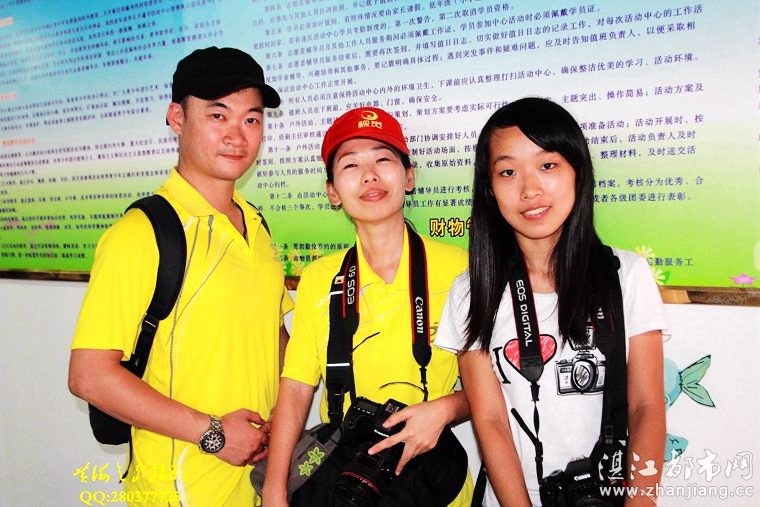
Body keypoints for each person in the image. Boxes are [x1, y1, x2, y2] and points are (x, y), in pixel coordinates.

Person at [68, 46, 293, 506]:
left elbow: (272, 335)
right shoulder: (141, 233)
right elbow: (89, 376)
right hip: (179, 488)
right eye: (217, 115)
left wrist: (285, 426)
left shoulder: (256, 224)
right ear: (177, 118)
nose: (237, 135)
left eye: (251, 119)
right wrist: (214, 434)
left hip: (255, 483)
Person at [435, 97, 668, 506]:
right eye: (508, 172)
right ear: (489, 188)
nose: (530, 189)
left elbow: (646, 406)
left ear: (577, 171)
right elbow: (490, 420)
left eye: (547, 165)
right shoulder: (472, 291)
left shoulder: (625, 275)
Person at [261, 107, 473, 506]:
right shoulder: (320, 278)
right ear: (332, 192)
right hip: (349, 479)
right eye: (351, 165)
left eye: (383, 159)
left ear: (409, 177)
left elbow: (494, 385)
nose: (370, 175)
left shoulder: (459, 268)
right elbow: (296, 388)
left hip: (432, 482)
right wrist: (275, 489)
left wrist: (445, 409)